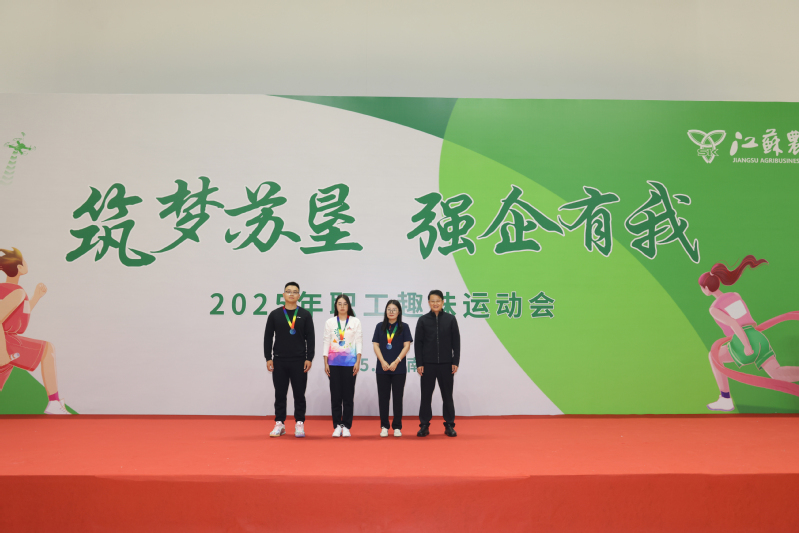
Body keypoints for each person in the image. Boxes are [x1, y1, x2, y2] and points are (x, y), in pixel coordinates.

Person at [700, 255, 799, 411]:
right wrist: (752, 338)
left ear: (706, 288)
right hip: (758, 337)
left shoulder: (714, 308)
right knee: (777, 373)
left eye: (702, 287)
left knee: (714, 356)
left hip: (744, 340)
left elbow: (734, 323)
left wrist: (746, 345)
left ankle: (725, 398)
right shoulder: (735, 295)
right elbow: (750, 321)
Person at [0, 248, 69, 414]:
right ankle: (54, 403)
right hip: (6, 340)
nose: (26, 264)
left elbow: (18, 313)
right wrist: (2, 352)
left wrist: (36, 297)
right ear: (19, 268)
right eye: (24, 262)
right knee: (47, 349)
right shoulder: (17, 292)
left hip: (6, 339)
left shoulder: (8, 290)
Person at [264, 282, 315, 437]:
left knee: (299, 394)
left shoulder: (305, 314)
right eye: (288, 291)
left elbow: (310, 338)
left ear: (299, 296)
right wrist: (268, 357)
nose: (291, 294)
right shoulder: (275, 314)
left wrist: (309, 357)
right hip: (279, 360)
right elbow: (268, 337)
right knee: (280, 394)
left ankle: (299, 423)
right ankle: (279, 423)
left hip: (299, 361)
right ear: (283, 295)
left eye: (294, 292)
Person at [414, 290, 460, 437]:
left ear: (443, 302)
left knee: (447, 396)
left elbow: (456, 342)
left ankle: (449, 425)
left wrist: (455, 361)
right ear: (428, 303)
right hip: (428, 365)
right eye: (432, 301)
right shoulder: (423, 320)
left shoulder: (450, 319)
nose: (435, 303)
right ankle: (424, 425)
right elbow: (418, 343)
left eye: (438, 301)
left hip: (446, 364)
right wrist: (419, 363)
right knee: (426, 396)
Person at [323, 294, 362, 437]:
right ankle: (337, 425)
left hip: (350, 363)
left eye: (345, 304)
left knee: (348, 396)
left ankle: (346, 426)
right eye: (339, 304)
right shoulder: (330, 322)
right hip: (333, 363)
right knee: (335, 396)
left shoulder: (355, 321)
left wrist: (358, 361)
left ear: (349, 306)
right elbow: (326, 341)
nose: (342, 306)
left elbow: (359, 342)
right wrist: (325, 362)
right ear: (336, 306)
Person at [372, 300, 412, 437]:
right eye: (389, 309)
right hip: (382, 368)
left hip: (398, 368)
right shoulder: (380, 326)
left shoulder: (404, 327)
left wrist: (396, 361)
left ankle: (397, 427)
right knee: (383, 398)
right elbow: (376, 345)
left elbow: (407, 346)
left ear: (399, 312)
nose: (391, 312)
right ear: (385, 311)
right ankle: (384, 426)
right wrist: (383, 361)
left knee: (397, 398)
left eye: (394, 309)